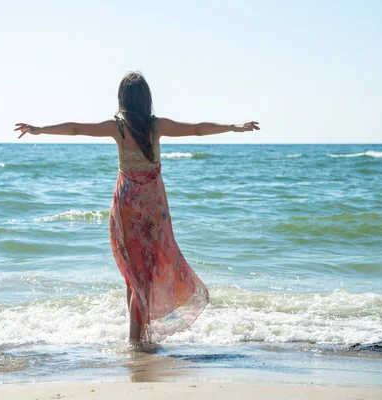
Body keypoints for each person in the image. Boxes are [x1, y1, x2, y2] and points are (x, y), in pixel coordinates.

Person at [15, 71, 260, 347]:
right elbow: (197, 129)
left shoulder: (117, 128)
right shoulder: (155, 127)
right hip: (153, 210)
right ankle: (136, 342)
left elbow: (75, 129)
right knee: (142, 275)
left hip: (127, 209)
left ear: (122, 99)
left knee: (135, 277)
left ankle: (136, 342)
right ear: (146, 100)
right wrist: (233, 127)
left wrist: (40, 129)